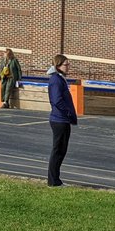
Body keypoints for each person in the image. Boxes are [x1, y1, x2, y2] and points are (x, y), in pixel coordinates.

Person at [47, 54, 77, 187]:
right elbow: (56, 100)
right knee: (58, 150)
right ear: (58, 65)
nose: (68, 66)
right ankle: (53, 181)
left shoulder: (60, 79)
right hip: (59, 119)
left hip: (63, 119)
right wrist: (68, 111)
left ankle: (56, 179)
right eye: (66, 64)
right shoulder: (56, 80)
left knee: (61, 150)